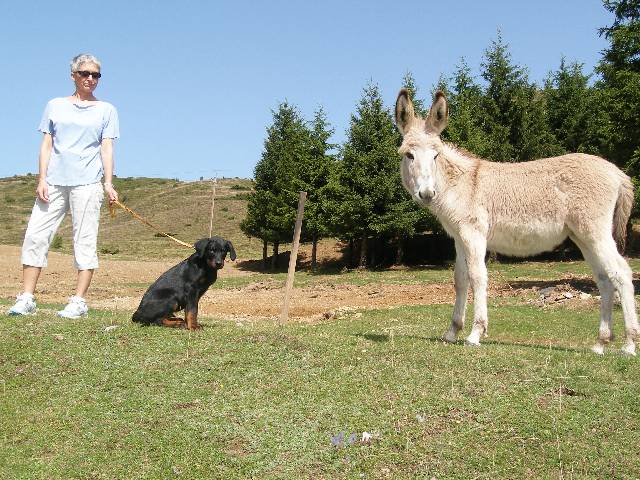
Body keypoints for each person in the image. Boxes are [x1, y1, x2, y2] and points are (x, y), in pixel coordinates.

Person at [7, 53, 119, 318]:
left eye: (96, 75)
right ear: (74, 76)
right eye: (85, 74)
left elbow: (107, 148)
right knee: (35, 235)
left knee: (85, 240)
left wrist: (108, 183)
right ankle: (27, 298)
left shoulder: (107, 110)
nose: (90, 79)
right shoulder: (55, 105)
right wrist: (41, 178)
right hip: (54, 183)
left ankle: (78, 302)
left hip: (88, 184)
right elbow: (47, 144)